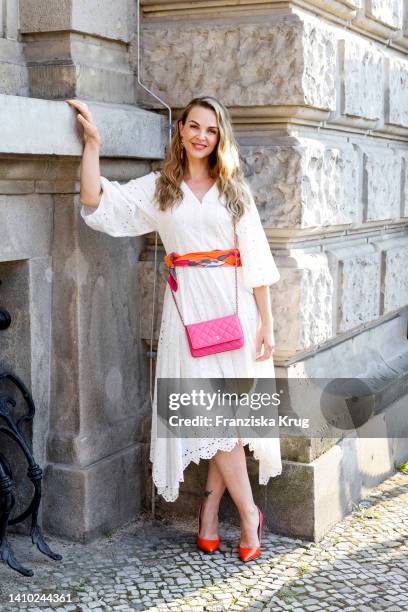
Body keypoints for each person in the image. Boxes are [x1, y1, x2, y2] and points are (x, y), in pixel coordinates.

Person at [65, 95, 282, 562]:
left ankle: (210, 512)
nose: (203, 136)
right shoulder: (160, 188)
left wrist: (267, 320)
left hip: (236, 312)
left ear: (219, 137)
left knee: (231, 420)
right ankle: (248, 515)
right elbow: (94, 201)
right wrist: (93, 144)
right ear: (181, 129)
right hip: (187, 318)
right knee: (211, 416)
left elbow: (257, 256)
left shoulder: (232, 189)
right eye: (195, 126)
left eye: (212, 130)